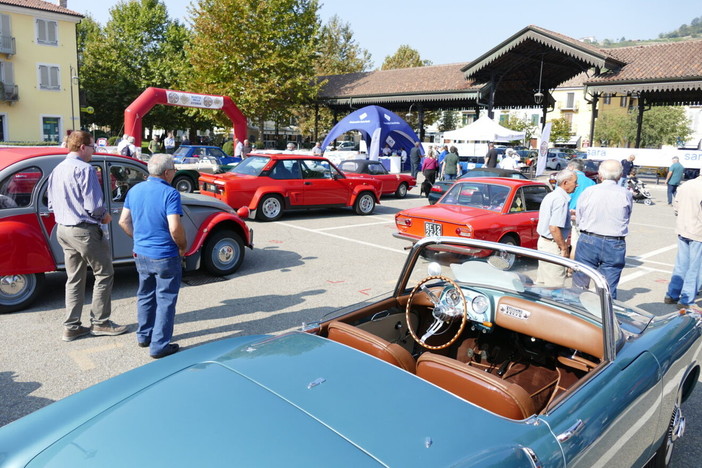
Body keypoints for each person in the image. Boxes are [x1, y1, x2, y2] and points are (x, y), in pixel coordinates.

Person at [46, 131, 128, 342]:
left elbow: (51, 203)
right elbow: (93, 206)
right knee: (105, 273)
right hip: (83, 230)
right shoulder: (85, 169)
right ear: (83, 147)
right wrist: (105, 216)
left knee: (74, 279)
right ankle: (100, 323)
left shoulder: (57, 169)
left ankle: (71, 327)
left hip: (63, 228)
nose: (94, 151)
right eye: (93, 147)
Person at [118, 153, 187, 359]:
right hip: (165, 254)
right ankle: (159, 345)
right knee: (166, 299)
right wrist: (182, 246)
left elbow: (123, 221)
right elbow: (175, 227)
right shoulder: (171, 193)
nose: (175, 173)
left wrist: (139, 238)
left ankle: (144, 335)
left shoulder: (135, 190)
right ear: (167, 173)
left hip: (141, 252)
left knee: (145, 295)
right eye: (174, 169)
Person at [573, 159, 633, 299]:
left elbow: (580, 216)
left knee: (580, 281)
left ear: (600, 175)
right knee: (608, 286)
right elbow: (627, 217)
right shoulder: (625, 193)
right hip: (614, 241)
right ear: (619, 176)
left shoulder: (589, 191)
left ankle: (577, 312)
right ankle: (605, 316)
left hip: (589, 238)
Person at [663, 173, 702, 311]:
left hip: (683, 227)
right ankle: (686, 299)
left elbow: (676, 206)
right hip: (698, 231)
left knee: (681, 263)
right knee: (695, 267)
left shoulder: (686, 185)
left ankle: (672, 294)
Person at [536, 169, 578, 287]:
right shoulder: (560, 199)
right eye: (575, 182)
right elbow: (554, 227)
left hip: (544, 242)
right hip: (552, 245)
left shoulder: (552, 195)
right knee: (555, 285)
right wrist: (564, 248)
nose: (577, 185)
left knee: (542, 282)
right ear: (565, 183)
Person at [566, 158, 596, 258]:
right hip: (580, 216)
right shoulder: (591, 183)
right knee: (575, 244)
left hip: (564, 214)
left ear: (571, 167)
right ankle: (571, 269)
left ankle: (562, 267)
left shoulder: (565, 180)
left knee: (562, 243)